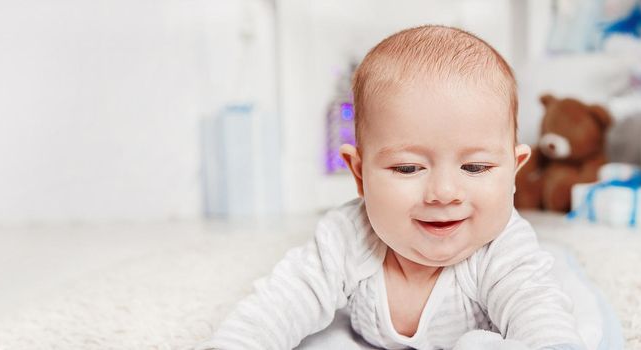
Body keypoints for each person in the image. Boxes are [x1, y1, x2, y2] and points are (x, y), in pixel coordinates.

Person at [197, 25, 585, 350]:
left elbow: (540, 318)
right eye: (408, 167)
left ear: (514, 171)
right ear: (360, 174)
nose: (444, 192)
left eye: (475, 166)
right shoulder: (348, 237)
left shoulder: (503, 249)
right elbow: (276, 305)